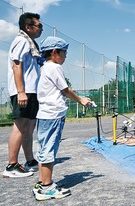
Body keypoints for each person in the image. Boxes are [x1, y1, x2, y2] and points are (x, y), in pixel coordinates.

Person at [33, 36, 92, 201]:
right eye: (64, 53)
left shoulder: (45, 67)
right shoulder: (54, 67)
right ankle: (47, 188)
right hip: (53, 115)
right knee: (49, 151)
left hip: (45, 114)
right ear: (54, 52)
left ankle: (41, 182)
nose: (65, 56)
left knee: (44, 150)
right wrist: (81, 99)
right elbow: (65, 90)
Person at [3, 12, 43, 178]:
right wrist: (21, 92)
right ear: (28, 27)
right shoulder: (21, 41)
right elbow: (16, 65)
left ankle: (30, 160)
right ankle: (11, 165)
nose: (41, 29)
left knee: (29, 127)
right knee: (20, 126)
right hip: (24, 91)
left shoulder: (30, 43)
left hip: (31, 91)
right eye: (39, 26)